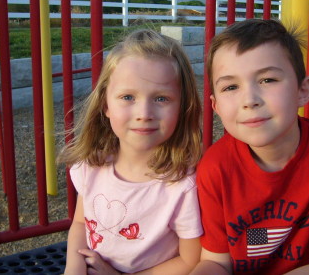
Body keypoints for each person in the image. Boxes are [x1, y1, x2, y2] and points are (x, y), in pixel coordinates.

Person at [190, 19, 309, 274]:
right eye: (231, 86)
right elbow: (214, 261)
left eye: (267, 80)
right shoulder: (215, 167)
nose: (250, 100)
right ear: (216, 107)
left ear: (303, 90)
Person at [59, 29, 203, 275]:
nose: (144, 113)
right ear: (105, 105)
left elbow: (190, 261)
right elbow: (81, 224)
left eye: (161, 99)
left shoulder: (182, 186)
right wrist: (74, 266)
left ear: (183, 106)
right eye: (128, 97)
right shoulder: (92, 166)